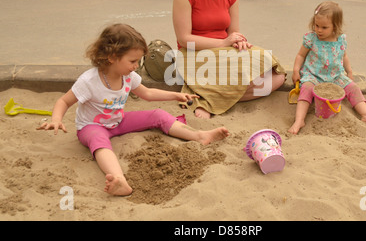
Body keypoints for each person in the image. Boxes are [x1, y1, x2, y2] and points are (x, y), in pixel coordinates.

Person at [37, 24, 230, 196]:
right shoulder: (89, 81)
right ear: (112, 57)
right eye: (132, 61)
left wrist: (175, 95)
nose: (136, 66)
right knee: (99, 141)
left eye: (138, 61)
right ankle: (119, 179)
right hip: (91, 126)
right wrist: (56, 118)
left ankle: (199, 136)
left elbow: (147, 93)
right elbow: (64, 101)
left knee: (157, 115)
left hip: (118, 121)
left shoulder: (128, 76)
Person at [172, 0, 286, 119]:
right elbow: (184, 39)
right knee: (243, 77)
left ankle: (210, 97)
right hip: (195, 52)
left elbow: (233, 32)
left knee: (277, 76)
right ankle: (210, 99)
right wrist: (224, 43)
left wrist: (238, 42)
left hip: (225, 51)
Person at [288, 1, 366, 134]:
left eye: (324, 27)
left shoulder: (340, 40)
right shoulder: (311, 38)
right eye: (316, 25)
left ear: (335, 27)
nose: (319, 30)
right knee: (306, 89)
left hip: (335, 75)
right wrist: (296, 70)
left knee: (353, 87)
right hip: (313, 75)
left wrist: (349, 71)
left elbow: (344, 56)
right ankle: (299, 120)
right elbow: (300, 55)